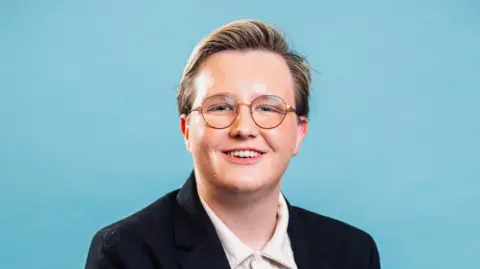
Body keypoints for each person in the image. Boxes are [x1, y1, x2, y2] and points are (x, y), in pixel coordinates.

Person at [85, 19, 381, 269]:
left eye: (268, 108)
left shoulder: (353, 253)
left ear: (299, 133)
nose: (244, 129)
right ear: (187, 130)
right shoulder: (126, 253)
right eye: (220, 107)